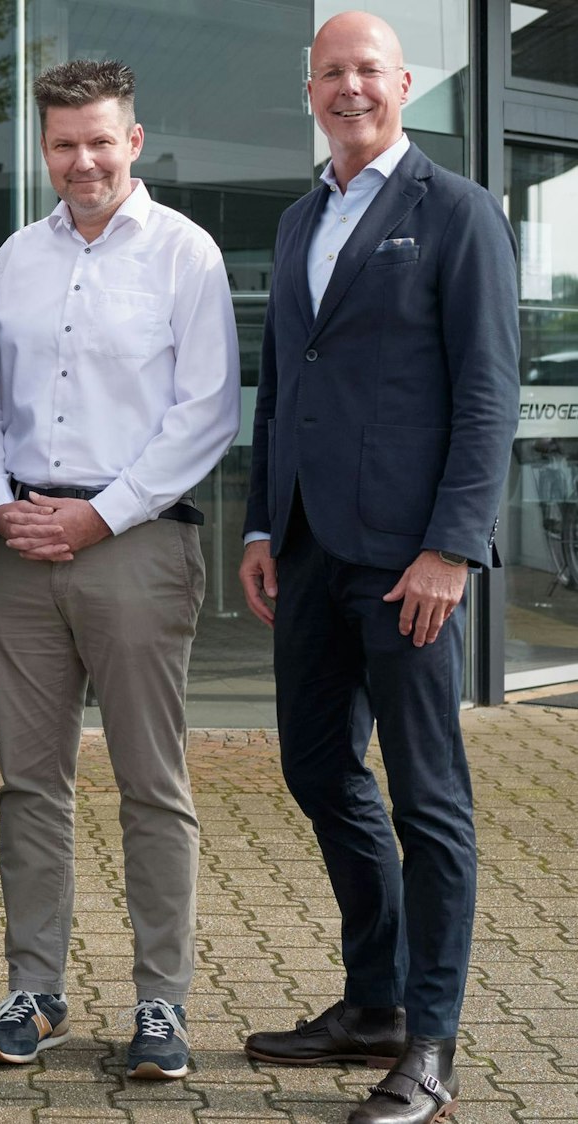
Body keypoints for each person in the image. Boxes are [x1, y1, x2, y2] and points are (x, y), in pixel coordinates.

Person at [238, 13, 518, 1124]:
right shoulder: (300, 216)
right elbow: (280, 387)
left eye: (367, 70)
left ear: (403, 83)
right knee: (316, 769)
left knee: (427, 799)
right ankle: (374, 1003)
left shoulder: (457, 211)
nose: (347, 87)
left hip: (410, 564)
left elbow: (487, 391)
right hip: (308, 548)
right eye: (329, 73)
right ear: (308, 90)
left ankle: (430, 1045)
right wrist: (258, 527)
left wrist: (451, 546)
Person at [0, 59, 240, 1081]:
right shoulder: (15, 257)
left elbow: (206, 411)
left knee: (150, 783)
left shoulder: (184, 252)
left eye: (99, 141)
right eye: (63, 144)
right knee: (27, 783)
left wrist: (98, 516)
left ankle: (160, 1001)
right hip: (19, 545)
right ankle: (34, 990)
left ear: (133, 141)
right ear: (44, 148)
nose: (82, 161)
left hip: (136, 541)